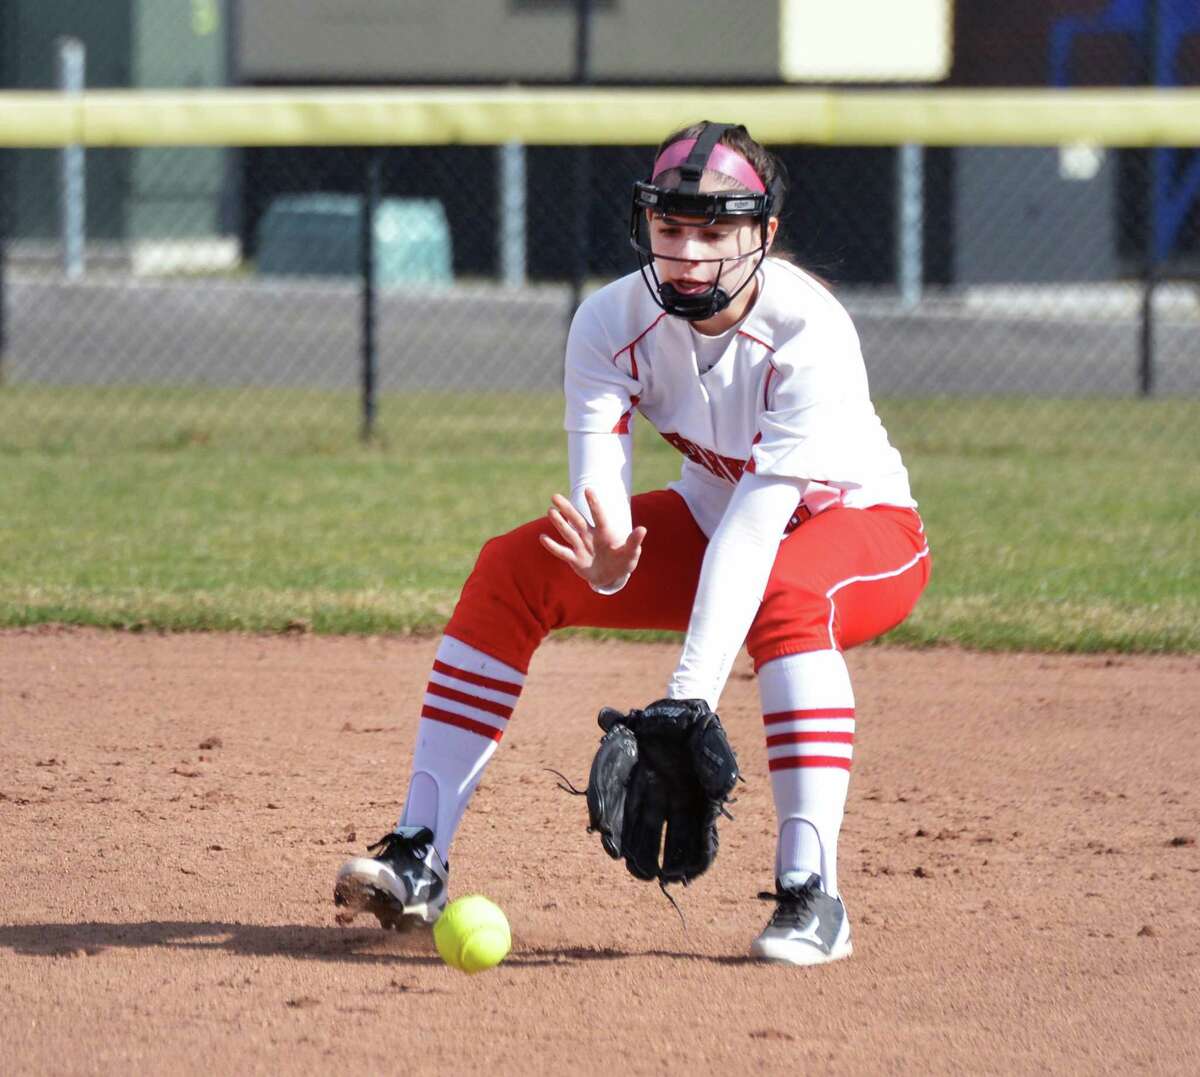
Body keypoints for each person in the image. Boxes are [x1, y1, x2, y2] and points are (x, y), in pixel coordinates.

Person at [334, 121, 930, 966]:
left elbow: (762, 521)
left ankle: (813, 895)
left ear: (764, 234)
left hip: (861, 529)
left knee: (790, 598)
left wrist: (688, 699)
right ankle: (418, 853)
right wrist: (609, 551)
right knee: (515, 568)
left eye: (715, 231)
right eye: (670, 227)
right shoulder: (611, 319)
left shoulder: (810, 330)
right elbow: (600, 482)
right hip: (715, 524)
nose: (687, 252)